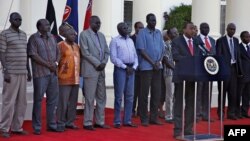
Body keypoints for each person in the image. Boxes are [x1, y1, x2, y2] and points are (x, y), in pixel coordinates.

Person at [0, 12, 31, 138]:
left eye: (20, 19)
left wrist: (28, 70)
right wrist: (5, 70)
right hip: (11, 72)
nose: (19, 21)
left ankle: (17, 127)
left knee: (22, 101)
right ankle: (4, 128)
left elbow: (25, 54)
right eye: (16, 19)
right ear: (10, 20)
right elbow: (1, 53)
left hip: (22, 72)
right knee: (9, 101)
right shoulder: (4, 34)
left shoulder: (23, 35)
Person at [28, 19, 61, 135]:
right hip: (41, 74)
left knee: (52, 100)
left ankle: (51, 124)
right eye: (46, 24)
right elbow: (33, 55)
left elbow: (58, 53)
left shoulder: (52, 37)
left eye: (48, 24)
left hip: (53, 74)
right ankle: (37, 127)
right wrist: (48, 65)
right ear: (39, 27)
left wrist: (55, 64)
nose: (48, 26)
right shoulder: (33, 38)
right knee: (38, 100)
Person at [172, 22, 202, 139]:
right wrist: (191, 60)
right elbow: (175, 56)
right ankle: (178, 130)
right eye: (191, 28)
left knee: (191, 105)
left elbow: (199, 56)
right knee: (178, 104)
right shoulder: (176, 41)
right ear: (184, 30)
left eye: (194, 29)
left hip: (193, 78)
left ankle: (188, 129)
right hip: (181, 78)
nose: (193, 30)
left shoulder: (196, 42)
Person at [79, 16, 110, 130]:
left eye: (100, 23)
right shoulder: (84, 34)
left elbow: (107, 51)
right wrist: (98, 63)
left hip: (101, 70)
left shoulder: (101, 35)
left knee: (102, 97)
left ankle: (99, 121)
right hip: (91, 70)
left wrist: (104, 63)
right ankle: (87, 122)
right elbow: (85, 52)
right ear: (90, 23)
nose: (99, 25)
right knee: (90, 98)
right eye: (97, 23)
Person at [136, 13, 165, 126]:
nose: (154, 22)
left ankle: (154, 117)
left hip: (158, 67)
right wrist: (153, 62)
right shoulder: (142, 33)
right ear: (147, 21)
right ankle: (144, 118)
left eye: (155, 20)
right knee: (144, 93)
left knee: (156, 93)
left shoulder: (158, 33)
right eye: (152, 20)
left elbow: (162, 49)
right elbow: (142, 50)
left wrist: (159, 61)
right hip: (146, 68)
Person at [110, 22, 138, 128]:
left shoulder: (131, 40)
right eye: (124, 28)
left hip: (132, 69)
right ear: (119, 30)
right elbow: (113, 58)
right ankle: (117, 121)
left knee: (130, 96)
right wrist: (125, 67)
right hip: (121, 70)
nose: (127, 29)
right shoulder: (115, 41)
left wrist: (134, 67)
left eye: (127, 27)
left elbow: (135, 56)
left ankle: (127, 120)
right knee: (119, 96)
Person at [56, 23, 80, 131]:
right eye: (71, 34)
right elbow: (56, 61)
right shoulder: (60, 45)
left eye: (74, 34)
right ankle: (61, 122)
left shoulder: (76, 46)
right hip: (64, 79)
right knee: (63, 102)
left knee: (73, 102)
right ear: (65, 35)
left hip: (75, 78)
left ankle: (70, 122)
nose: (74, 36)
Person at [216, 23, 242, 120]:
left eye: (234, 29)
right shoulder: (220, 41)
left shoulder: (236, 40)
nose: (232, 31)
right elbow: (218, 56)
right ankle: (221, 113)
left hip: (234, 69)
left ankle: (231, 113)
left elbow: (238, 55)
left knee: (233, 93)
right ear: (226, 29)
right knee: (222, 92)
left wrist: (240, 70)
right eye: (230, 29)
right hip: (224, 70)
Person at [196, 22, 216, 122]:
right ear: (200, 28)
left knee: (207, 93)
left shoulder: (212, 40)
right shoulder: (196, 40)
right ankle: (197, 115)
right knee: (198, 93)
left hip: (210, 71)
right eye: (204, 27)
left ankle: (206, 114)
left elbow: (215, 55)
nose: (206, 29)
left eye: (207, 27)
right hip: (200, 71)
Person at [159, 27, 178, 123]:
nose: (177, 34)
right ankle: (168, 116)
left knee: (176, 96)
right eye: (174, 33)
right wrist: (176, 69)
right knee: (169, 95)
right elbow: (165, 60)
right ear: (169, 35)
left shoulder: (178, 44)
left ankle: (175, 114)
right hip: (169, 73)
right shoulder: (166, 45)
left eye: (177, 32)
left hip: (178, 73)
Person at [130, 21, 144, 117]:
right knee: (133, 91)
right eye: (139, 27)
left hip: (143, 68)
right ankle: (131, 110)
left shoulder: (144, 39)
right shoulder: (131, 39)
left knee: (142, 91)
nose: (141, 29)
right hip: (134, 68)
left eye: (143, 27)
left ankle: (140, 110)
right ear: (135, 28)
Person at [237, 31, 250, 118]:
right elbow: (238, 61)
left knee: (247, 95)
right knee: (239, 95)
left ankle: (245, 112)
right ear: (241, 38)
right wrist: (240, 72)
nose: (248, 38)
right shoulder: (238, 47)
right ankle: (238, 113)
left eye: (249, 37)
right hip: (242, 75)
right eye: (246, 37)